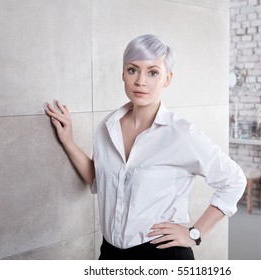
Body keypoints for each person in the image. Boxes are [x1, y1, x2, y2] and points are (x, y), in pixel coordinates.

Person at [45, 34, 246, 260]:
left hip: (162, 255)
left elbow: (234, 180)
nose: (140, 81)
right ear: (123, 73)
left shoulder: (180, 134)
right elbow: (98, 180)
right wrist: (68, 140)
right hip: (110, 253)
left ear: (167, 79)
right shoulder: (106, 128)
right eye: (133, 70)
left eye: (153, 72)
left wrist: (195, 233)